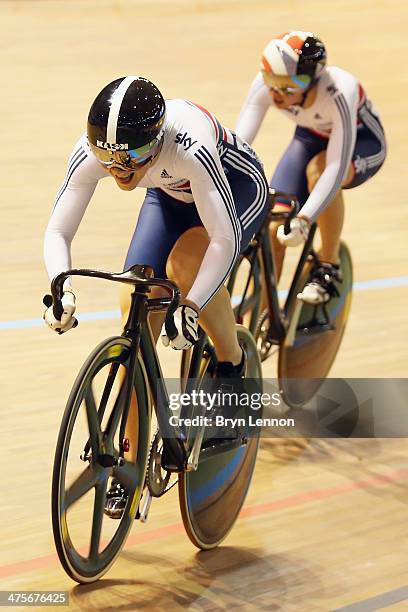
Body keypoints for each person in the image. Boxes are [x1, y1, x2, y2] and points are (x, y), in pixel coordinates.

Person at [43, 76, 269, 516]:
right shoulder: (100, 152)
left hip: (236, 190)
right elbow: (58, 229)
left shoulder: (188, 145)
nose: (117, 170)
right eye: (107, 160)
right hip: (168, 193)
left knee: (187, 266)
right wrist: (59, 286)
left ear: (154, 140)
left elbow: (224, 240)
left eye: (127, 160)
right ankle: (130, 460)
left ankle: (231, 362)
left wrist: (190, 305)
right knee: (134, 302)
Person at [236, 31, 386, 303]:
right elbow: (238, 145)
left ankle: (328, 266)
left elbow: (336, 166)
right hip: (309, 137)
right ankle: (264, 315)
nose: (278, 93)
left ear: (311, 79)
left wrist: (304, 219)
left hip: (361, 143)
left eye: (289, 85)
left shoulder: (340, 90)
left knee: (319, 172)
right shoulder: (264, 85)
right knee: (273, 225)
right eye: (272, 81)